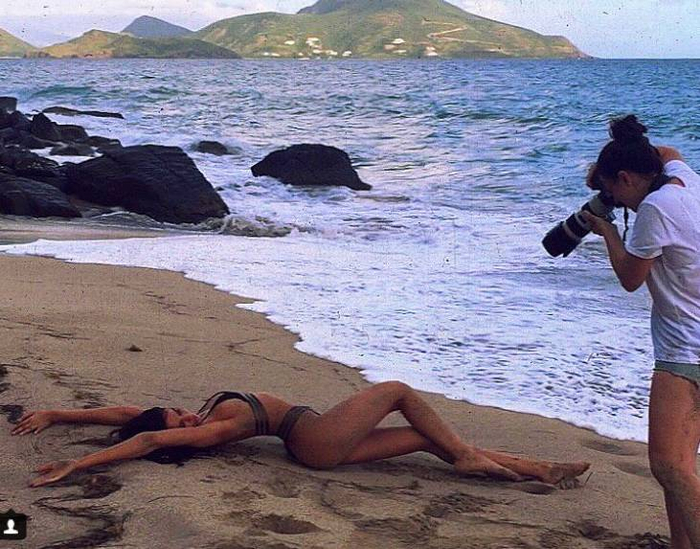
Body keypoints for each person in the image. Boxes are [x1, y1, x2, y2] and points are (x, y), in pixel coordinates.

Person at [12, 381, 589, 488]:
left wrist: (58, 415)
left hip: (315, 439)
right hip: (313, 438)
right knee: (398, 392)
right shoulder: (212, 430)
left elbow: (126, 415)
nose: (185, 420)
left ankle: (537, 470)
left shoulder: (194, 414)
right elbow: (145, 441)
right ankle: (464, 456)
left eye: (178, 414)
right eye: (180, 425)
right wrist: (77, 467)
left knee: (421, 437)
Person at [583, 115, 700, 549]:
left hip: (685, 350)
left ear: (628, 178)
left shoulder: (654, 208)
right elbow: (667, 152)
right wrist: (602, 172)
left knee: (669, 465)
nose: (616, 202)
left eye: (613, 191)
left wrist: (607, 231)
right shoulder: (684, 179)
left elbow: (632, 277)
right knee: (682, 464)